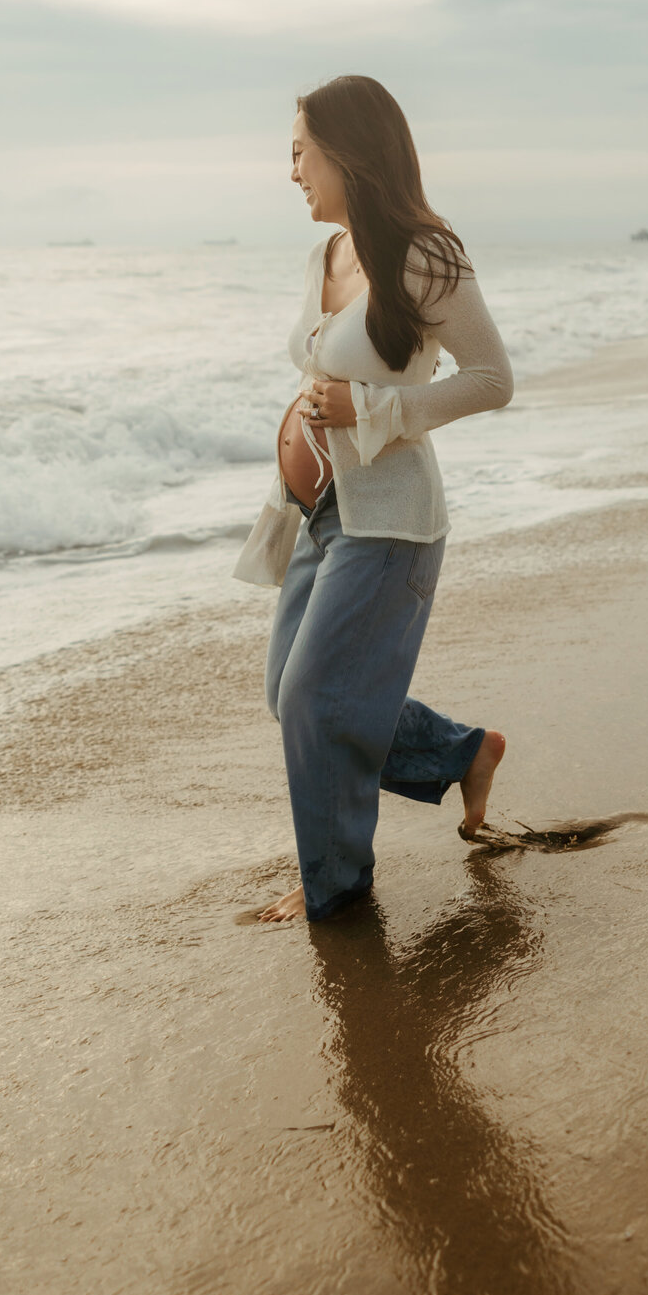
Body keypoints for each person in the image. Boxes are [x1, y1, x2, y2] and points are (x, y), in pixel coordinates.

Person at [233, 74, 514, 923]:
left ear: (347, 154)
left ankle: (335, 890)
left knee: (320, 702)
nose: (292, 175)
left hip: (390, 523)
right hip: (318, 514)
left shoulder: (426, 254)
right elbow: (323, 374)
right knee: (294, 696)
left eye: (299, 155)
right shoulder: (325, 256)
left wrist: (377, 410)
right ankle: (460, 753)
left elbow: (492, 380)